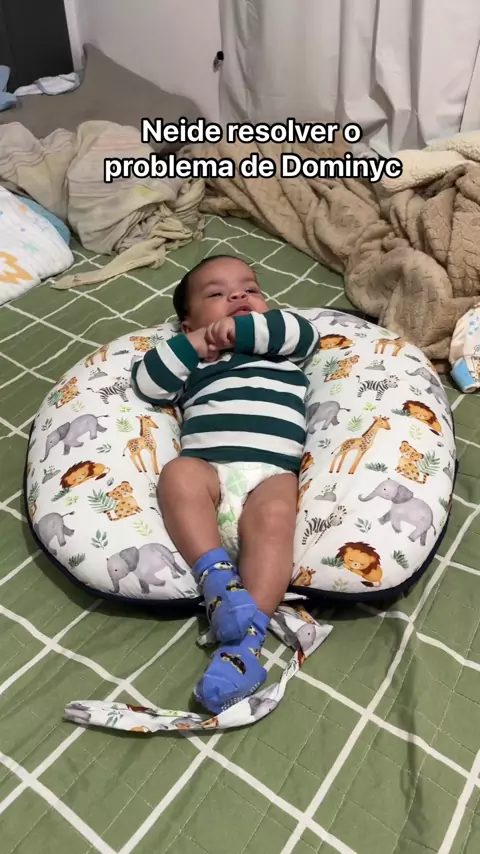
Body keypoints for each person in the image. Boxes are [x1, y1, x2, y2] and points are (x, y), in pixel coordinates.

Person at [130, 255, 319, 714]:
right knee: (177, 475)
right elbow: (149, 382)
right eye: (216, 294)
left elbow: (303, 333)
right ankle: (217, 582)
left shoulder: (281, 348)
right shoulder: (194, 362)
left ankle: (245, 648)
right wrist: (195, 343)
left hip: (270, 474)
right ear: (187, 322)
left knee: (278, 513)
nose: (237, 296)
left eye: (250, 289)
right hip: (209, 470)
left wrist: (240, 328)